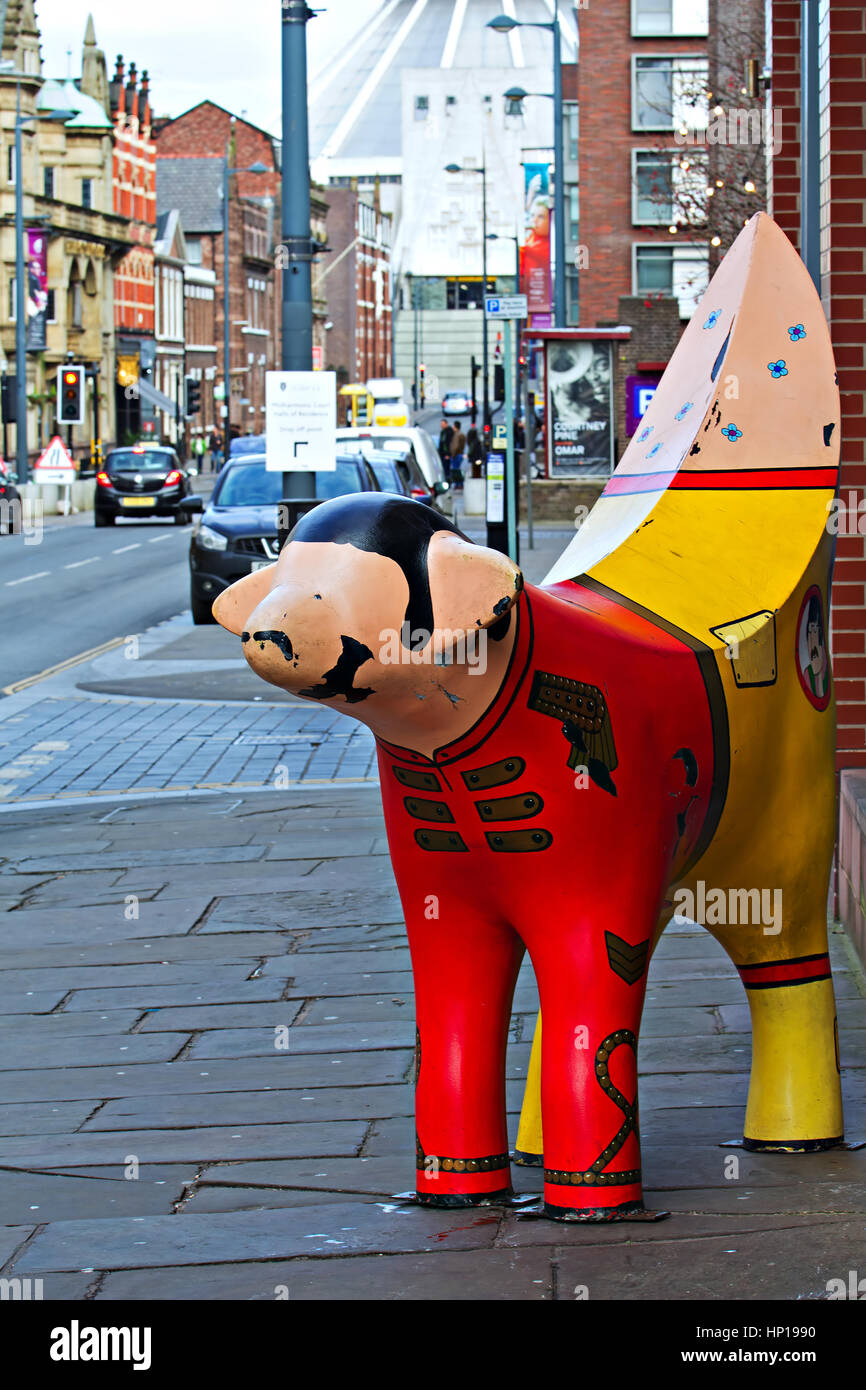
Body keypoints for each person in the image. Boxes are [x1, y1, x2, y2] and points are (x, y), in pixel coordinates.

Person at [449, 418, 466, 491]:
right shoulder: (461, 434)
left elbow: (455, 446)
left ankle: (458, 484)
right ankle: (459, 484)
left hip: (456, 455)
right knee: (457, 469)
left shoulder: (457, 435)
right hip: (459, 454)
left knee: (456, 470)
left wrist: (453, 454)